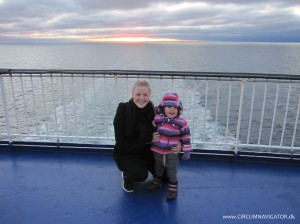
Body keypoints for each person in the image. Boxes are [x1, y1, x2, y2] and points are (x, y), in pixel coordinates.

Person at [113, 80, 180, 193]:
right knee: (140, 175)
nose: (142, 98)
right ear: (132, 94)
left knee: (165, 178)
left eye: (145, 95)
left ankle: (142, 168)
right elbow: (121, 143)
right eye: (138, 94)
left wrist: (179, 144)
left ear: (149, 95)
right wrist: (147, 139)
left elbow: (171, 128)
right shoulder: (123, 110)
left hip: (147, 152)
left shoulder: (154, 111)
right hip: (127, 152)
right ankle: (127, 175)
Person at [147, 93, 192, 200]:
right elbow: (150, 130)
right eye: (169, 107)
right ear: (162, 108)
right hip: (157, 150)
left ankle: (173, 190)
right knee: (158, 168)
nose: (172, 110)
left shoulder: (181, 123)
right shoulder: (157, 119)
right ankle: (156, 182)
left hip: (172, 152)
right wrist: (149, 137)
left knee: (172, 171)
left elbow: (186, 136)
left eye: (175, 107)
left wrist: (186, 151)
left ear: (179, 109)